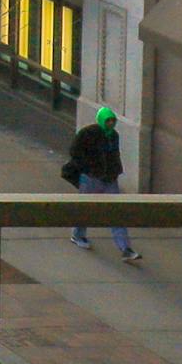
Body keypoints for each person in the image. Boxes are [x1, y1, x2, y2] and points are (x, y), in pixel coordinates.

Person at [64, 108, 140, 260]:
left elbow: (114, 155)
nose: (111, 123)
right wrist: (88, 168)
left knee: (116, 212)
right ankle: (78, 235)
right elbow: (74, 151)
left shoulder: (114, 136)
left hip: (109, 179)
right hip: (91, 178)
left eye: (113, 120)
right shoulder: (89, 133)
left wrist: (115, 171)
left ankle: (125, 248)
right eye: (108, 120)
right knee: (86, 208)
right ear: (101, 120)